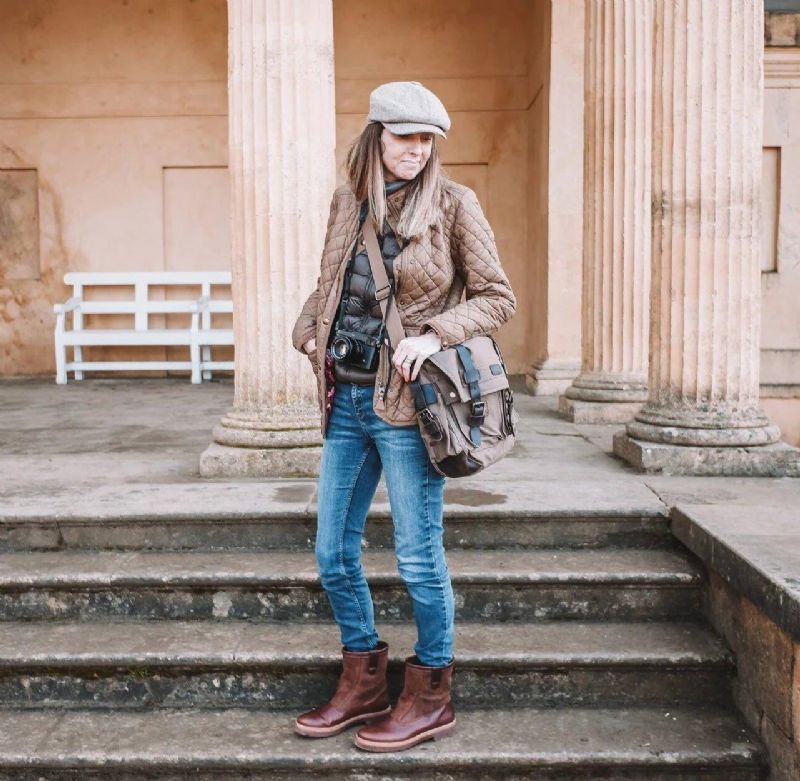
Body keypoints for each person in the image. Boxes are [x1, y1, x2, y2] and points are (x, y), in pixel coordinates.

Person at [290, 80, 517, 752]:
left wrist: (436, 332)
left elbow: (498, 298)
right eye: (403, 137)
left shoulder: (454, 204)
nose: (416, 151)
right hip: (345, 399)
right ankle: (362, 681)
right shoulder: (347, 200)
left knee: (418, 559)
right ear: (376, 136)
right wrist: (306, 328)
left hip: (408, 407)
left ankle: (430, 696)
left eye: (426, 140)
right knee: (333, 551)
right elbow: (333, 279)